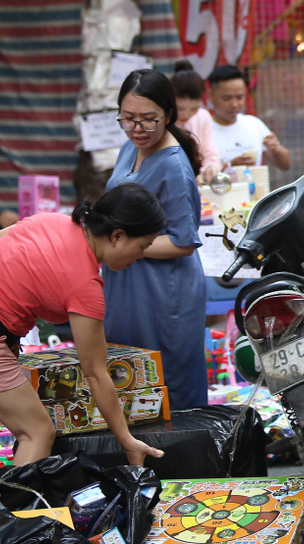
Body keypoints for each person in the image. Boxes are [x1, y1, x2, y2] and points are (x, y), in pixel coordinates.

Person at [0, 184, 168, 480]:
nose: (142, 255)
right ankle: (10, 522)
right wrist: (127, 440)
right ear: (118, 236)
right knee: (37, 431)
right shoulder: (86, 287)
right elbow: (95, 372)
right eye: (143, 246)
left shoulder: (51, 219)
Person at [104, 69, 208, 410]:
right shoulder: (128, 149)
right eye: (128, 118)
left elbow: (183, 241)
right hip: (126, 281)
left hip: (163, 290)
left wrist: (125, 246)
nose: (137, 128)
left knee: (165, 383)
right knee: (128, 377)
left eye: (149, 119)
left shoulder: (174, 166)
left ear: (168, 115)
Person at [207, 64, 292, 172]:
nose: (234, 104)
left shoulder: (253, 123)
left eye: (239, 97)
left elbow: (286, 165)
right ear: (210, 96)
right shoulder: (204, 130)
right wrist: (229, 167)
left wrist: (275, 148)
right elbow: (200, 178)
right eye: (226, 98)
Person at [170, 60, 223, 184]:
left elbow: (211, 155)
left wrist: (210, 169)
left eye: (193, 109)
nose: (186, 115)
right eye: (180, 109)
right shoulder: (163, 119)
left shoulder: (203, 116)